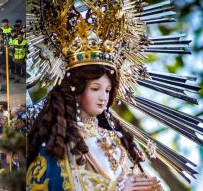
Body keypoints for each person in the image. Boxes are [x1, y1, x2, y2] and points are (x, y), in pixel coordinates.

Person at [27, 65, 163, 191]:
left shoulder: (117, 139)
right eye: (95, 89)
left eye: (107, 90)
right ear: (76, 90)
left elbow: (134, 181)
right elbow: (55, 183)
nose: (103, 97)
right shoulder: (61, 138)